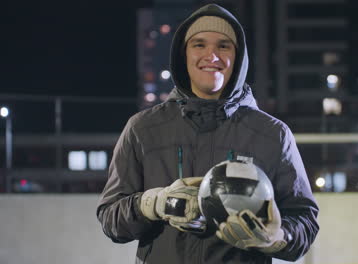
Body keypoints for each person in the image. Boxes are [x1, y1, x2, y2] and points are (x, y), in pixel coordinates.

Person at [96, 4, 319, 263]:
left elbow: (305, 222)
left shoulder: (273, 134)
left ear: (238, 57)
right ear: (183, 55)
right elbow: (111, 219)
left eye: (224, 45)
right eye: (199, 44)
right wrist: (153, 204)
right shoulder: (143, 129)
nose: (211, 55)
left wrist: (276, 237)